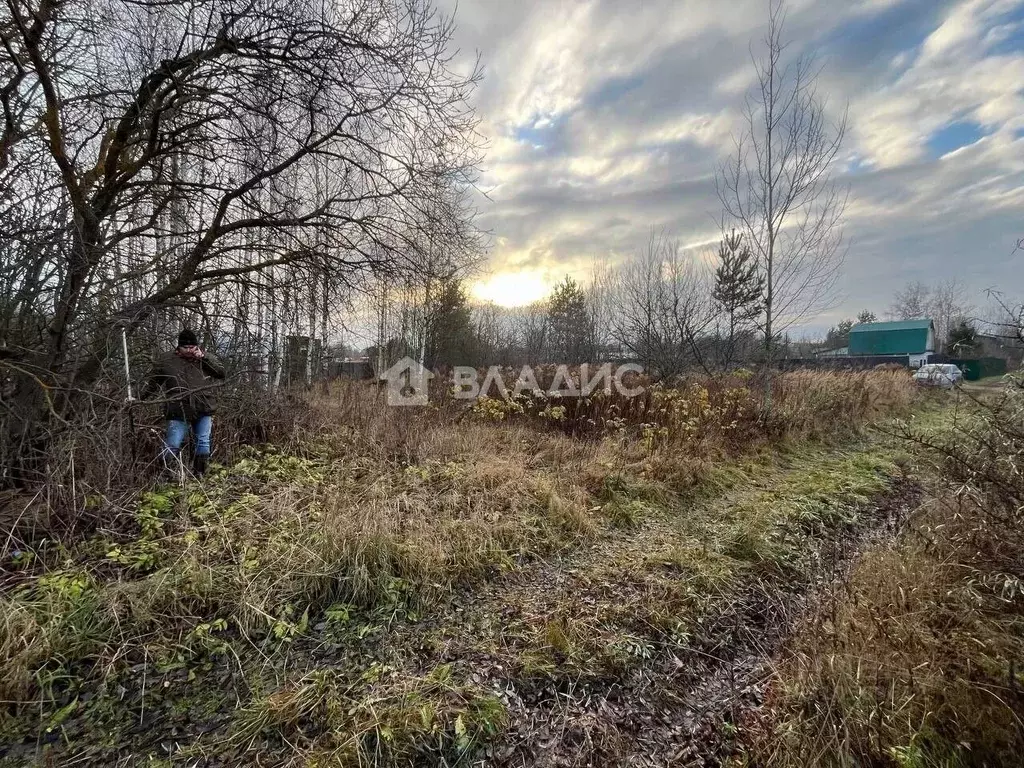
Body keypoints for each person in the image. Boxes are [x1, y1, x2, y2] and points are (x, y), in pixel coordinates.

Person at [144, 329, 225, 476]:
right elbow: (153, 385)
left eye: (192, 347)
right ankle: (164, 474)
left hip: (204, 406)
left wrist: (204, 358)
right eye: (185, 348)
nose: (189, 350)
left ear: (197, 346)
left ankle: (199, 474)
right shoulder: (166, 360)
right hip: (177, 408)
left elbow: (220, 373)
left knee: (203, 442)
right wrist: (138, 398)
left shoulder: (205, 358)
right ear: (178, 347)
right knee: (173, 443)